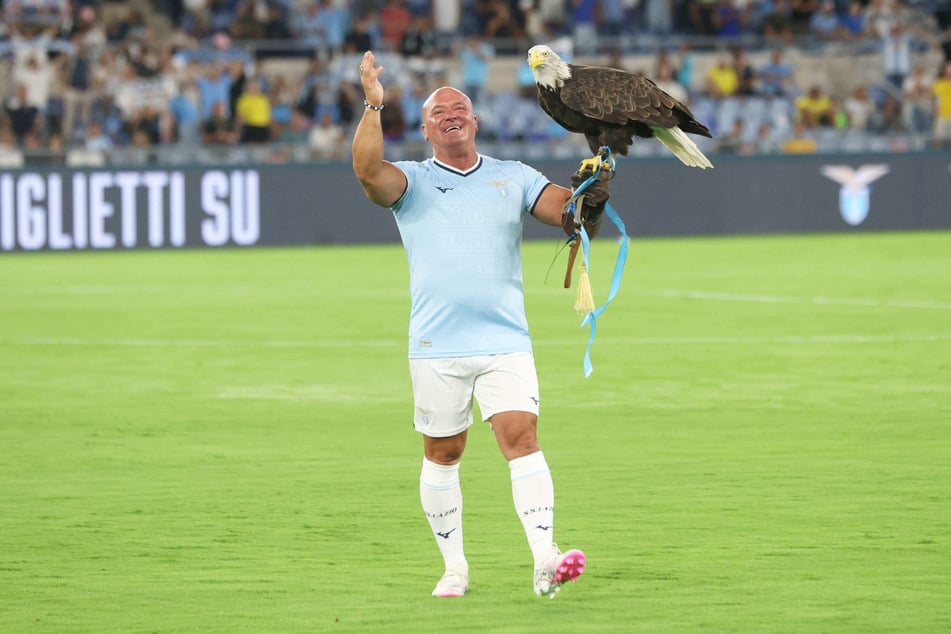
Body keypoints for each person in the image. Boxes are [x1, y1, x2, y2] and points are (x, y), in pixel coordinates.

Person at [351, 50, 609, 599]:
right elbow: (367, 173)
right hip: (435, 342)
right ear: (424, 128)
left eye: (459, 109)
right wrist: (373, 106)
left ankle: (546, 558)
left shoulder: (513, 176)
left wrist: (593, 187)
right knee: (443, 453)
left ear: (475, 121)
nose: (450, 115)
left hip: (503, 340)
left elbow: (568, 211)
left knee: (522, 438)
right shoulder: (413, 182)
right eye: (438, 112)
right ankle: (454, 568)